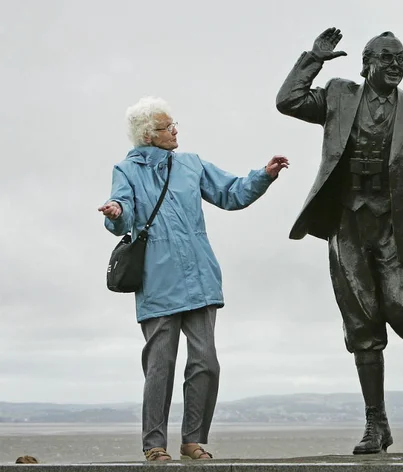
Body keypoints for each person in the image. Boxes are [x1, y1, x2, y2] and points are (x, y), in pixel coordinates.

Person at [275, 27, 403, 454]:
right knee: (362, 327)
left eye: (402, 59)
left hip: (394, 227)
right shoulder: (339, 96)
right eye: (387, 58)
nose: (396, 66)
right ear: (366, 63)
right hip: (346, 224)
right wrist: (313, 58)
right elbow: (287, 100)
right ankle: (376, 424)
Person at [99, 96, 288, 461]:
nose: (174, 130)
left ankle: (193, 440)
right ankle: (154, 446)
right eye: (166, 127)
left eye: (174, 123)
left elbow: (230, 193)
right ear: (147, 136)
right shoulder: (126, 170)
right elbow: (120, 210)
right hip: (157, 281)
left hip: (200, 278)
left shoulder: (191, 164)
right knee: (160, 366)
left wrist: (263, 176)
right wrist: (115, 213)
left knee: (206, 362)